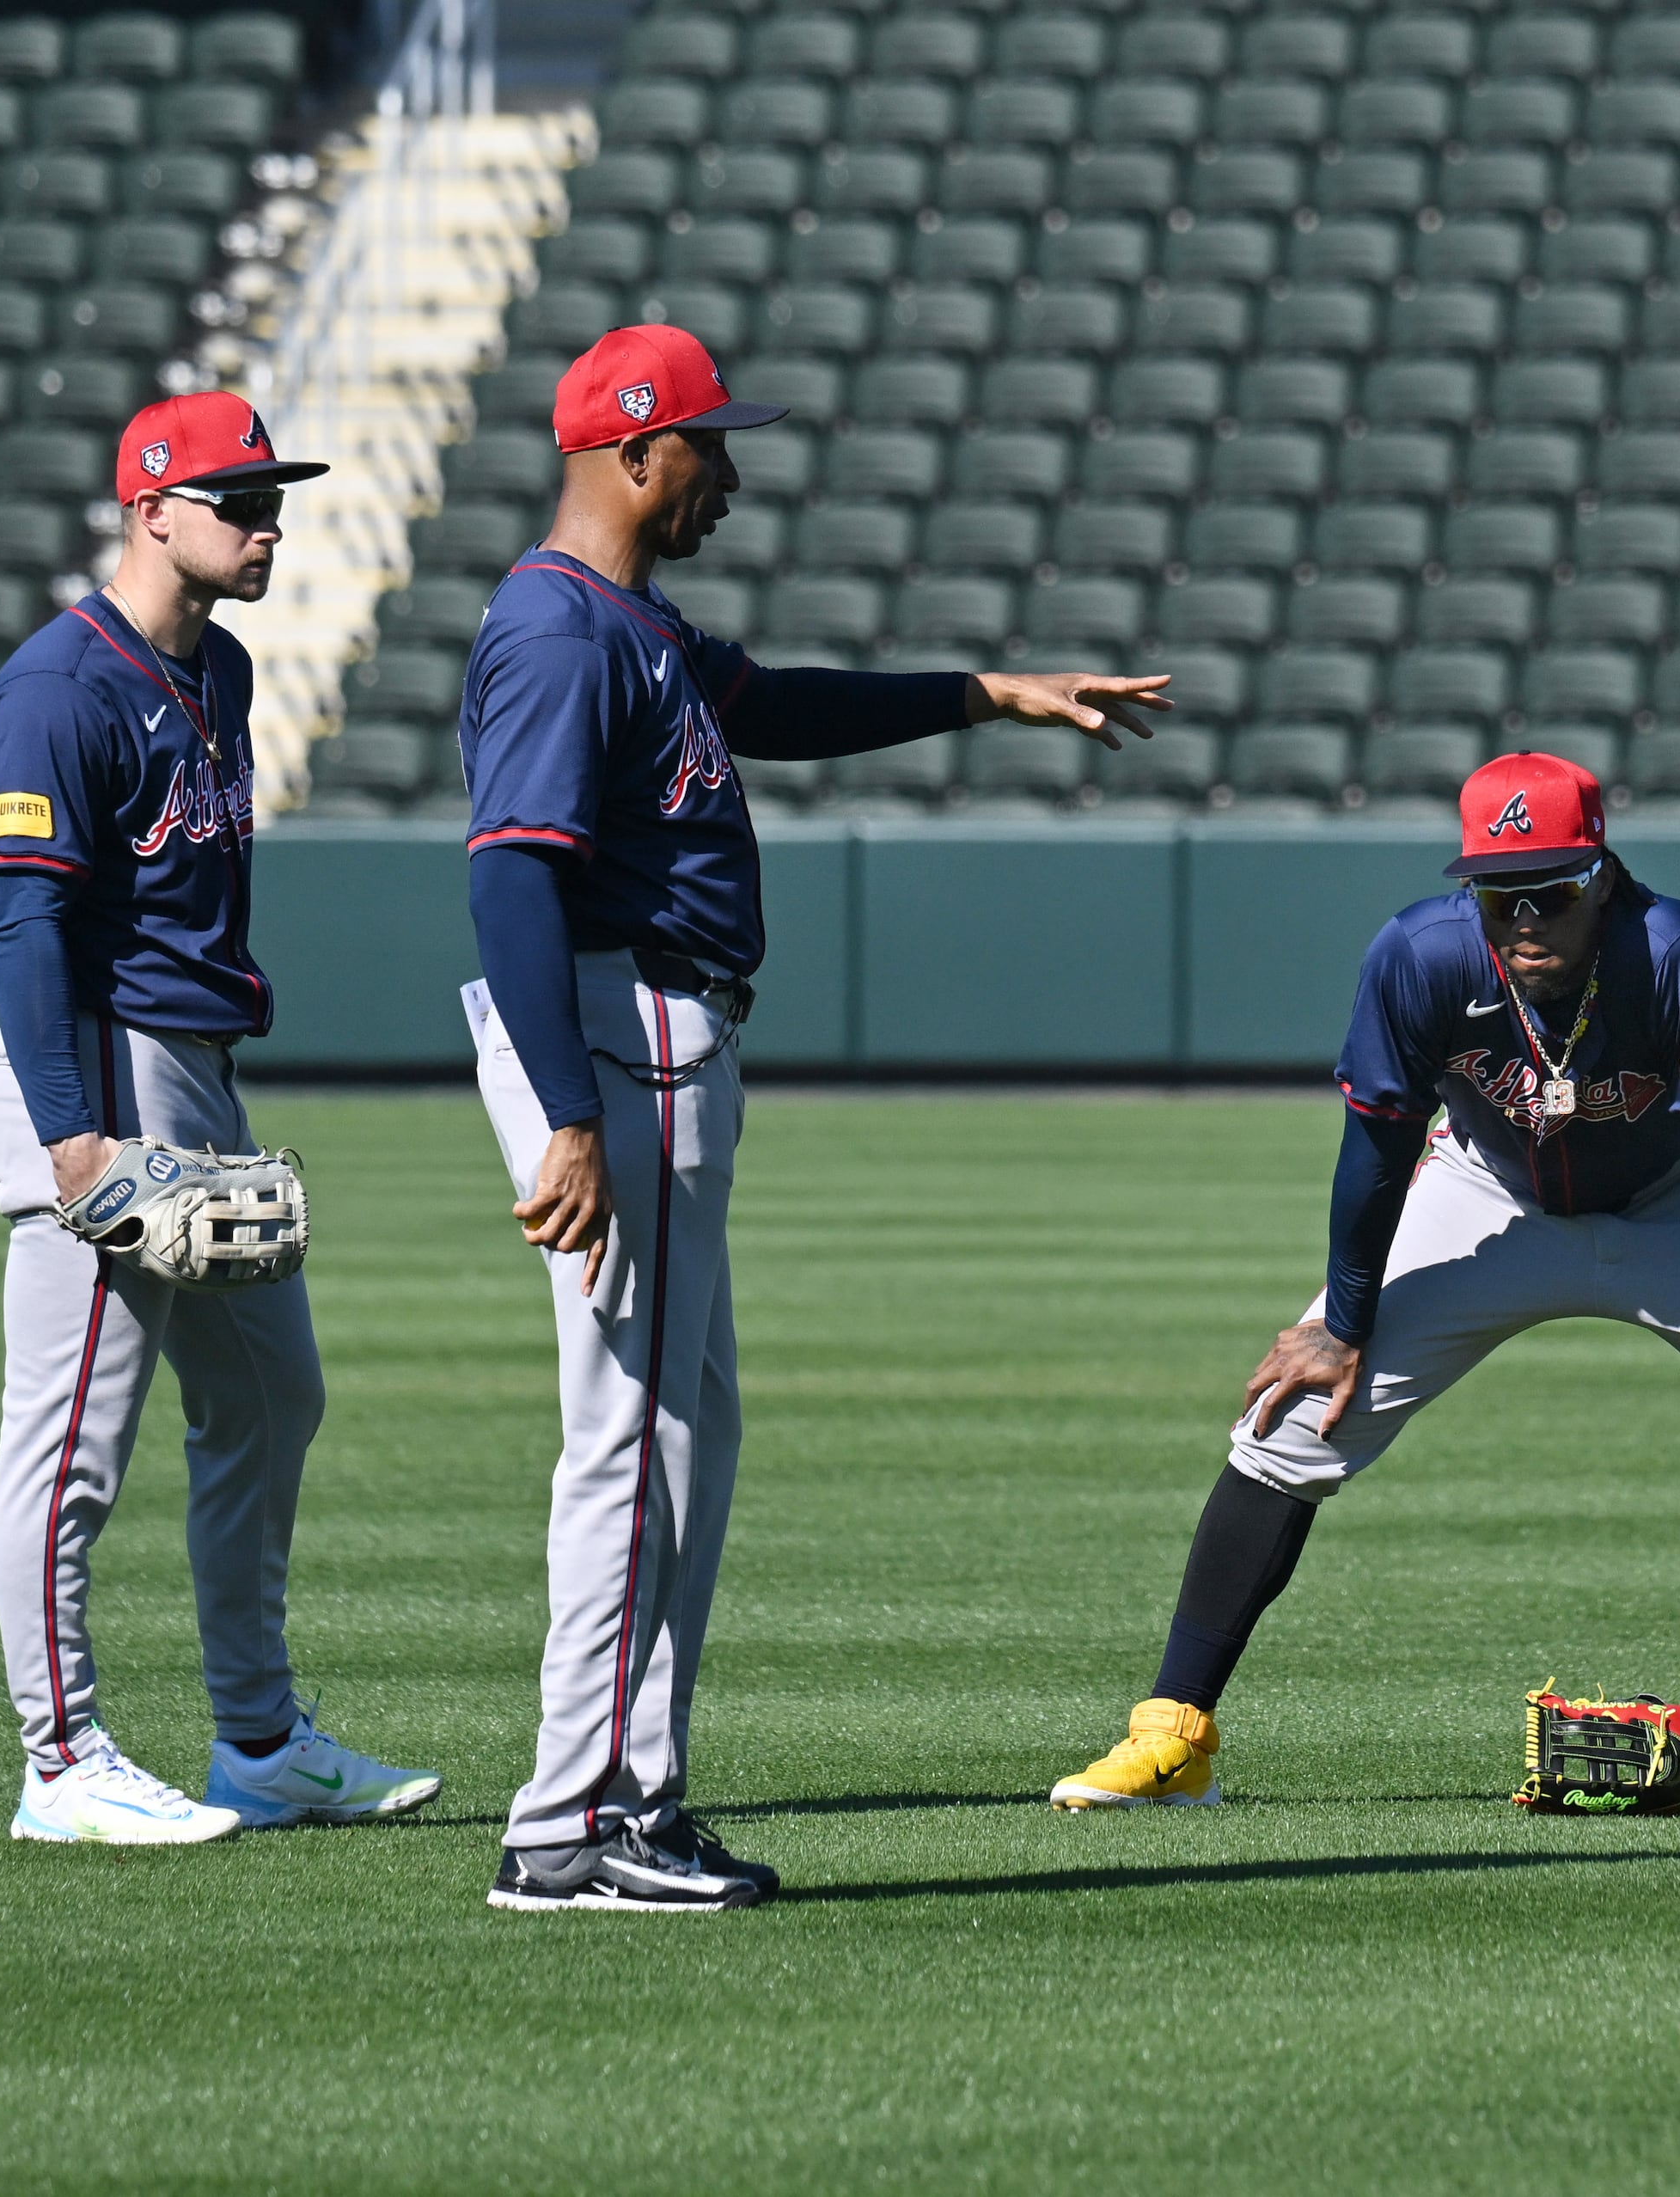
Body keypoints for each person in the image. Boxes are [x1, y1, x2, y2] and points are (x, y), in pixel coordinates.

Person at [463, 325, 1173, 1912]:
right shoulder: (561, 632)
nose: (731, 469)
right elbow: (510, 871)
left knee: (689, 1442)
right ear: (636, 454)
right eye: (709, 442)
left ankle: (637, 1802)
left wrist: (996, 693)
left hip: (662, 1024)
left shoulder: (629, 623)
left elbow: (777, 705)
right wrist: (568, 1117)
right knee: (630, 1445)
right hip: (616, 1023)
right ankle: (560, 1825)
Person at [1049, 751, 1680, 1821]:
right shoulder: (1420, 954)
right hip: (1485, 1195)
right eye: (1501, 891)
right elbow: (1376, 1148)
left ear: (1604, 874)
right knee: (1295, 1419)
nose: (1526, 915)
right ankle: (1172, 1741)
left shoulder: (1678, 953)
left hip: (1677, 1204)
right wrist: (1343, 1323)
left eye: (1554, 888)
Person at [0, 392, 442, 1843]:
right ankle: (60, 1763)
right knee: (72, 1438)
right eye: (237, 496)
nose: (267, 519)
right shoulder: (57, 686)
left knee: (269, 1397)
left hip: (195, 1067)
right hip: (96, 1077)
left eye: (271, 493)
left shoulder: (219, 674)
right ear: (150, 508)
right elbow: (24, 923)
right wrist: (76, 1144)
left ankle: (258, 1742)